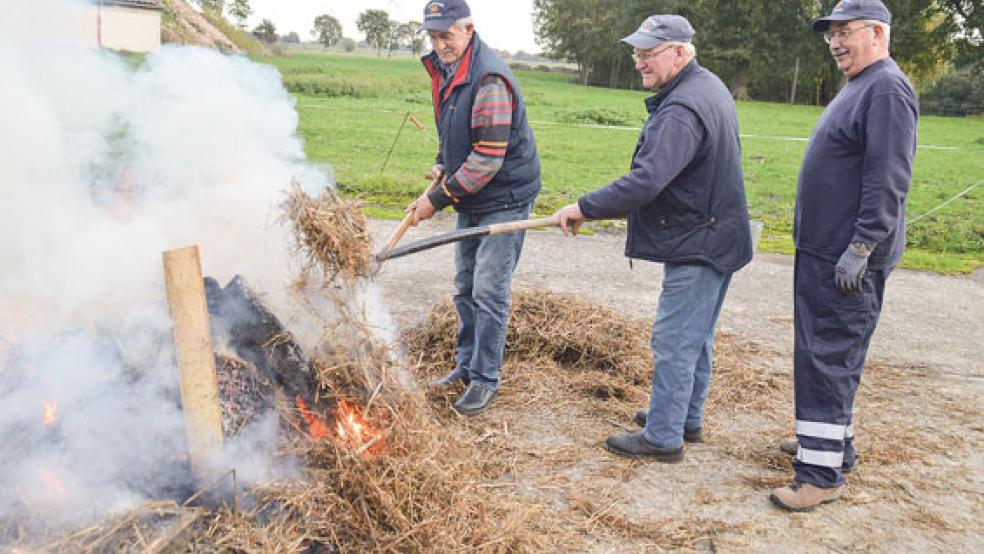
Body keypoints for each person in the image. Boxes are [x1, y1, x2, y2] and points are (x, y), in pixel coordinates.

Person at [554, 15, 753, 463]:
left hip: (700, 238)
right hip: (718, 232)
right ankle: (685, 417)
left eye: (650, 52)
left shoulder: (681, 109)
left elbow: (646, 182)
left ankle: (664, 436)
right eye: (637, 51)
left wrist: (582, 207)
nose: (639, 60)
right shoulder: (706, 86)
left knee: (675, 339)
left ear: (680, 52)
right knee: (696, 336)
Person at [770, 0, 918, 512]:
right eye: (829, 34)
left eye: (844, 32)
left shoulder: (887, 89)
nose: (834, 42)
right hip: (823, 251)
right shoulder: (863, 84)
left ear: (877, 33)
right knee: (824, 355)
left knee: (828, 356)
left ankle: (819, 476)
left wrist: (862, 245)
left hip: (846, 258)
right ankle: (831, 445)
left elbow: (888, 177)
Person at [407, 0, 541, 415]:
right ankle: (465, 365)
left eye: (446, 35)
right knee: (464, 283)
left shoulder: (490, 79)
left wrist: (435, 200)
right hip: (473, 190)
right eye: (433, 35)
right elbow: (456, 125)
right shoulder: (448, 68)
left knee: (488, 289)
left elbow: (486, 156)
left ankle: (485, 379)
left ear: (468, 29)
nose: (439, 43)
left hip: (505, 195)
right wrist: (444, 159)